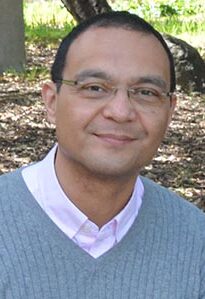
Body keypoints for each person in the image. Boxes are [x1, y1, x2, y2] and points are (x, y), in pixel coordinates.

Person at [0, 11, 204, 299]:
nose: (120, 112)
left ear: (170, 111)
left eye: (145, 93)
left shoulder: (196, 242)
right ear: (51, 101)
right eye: (94, 88)